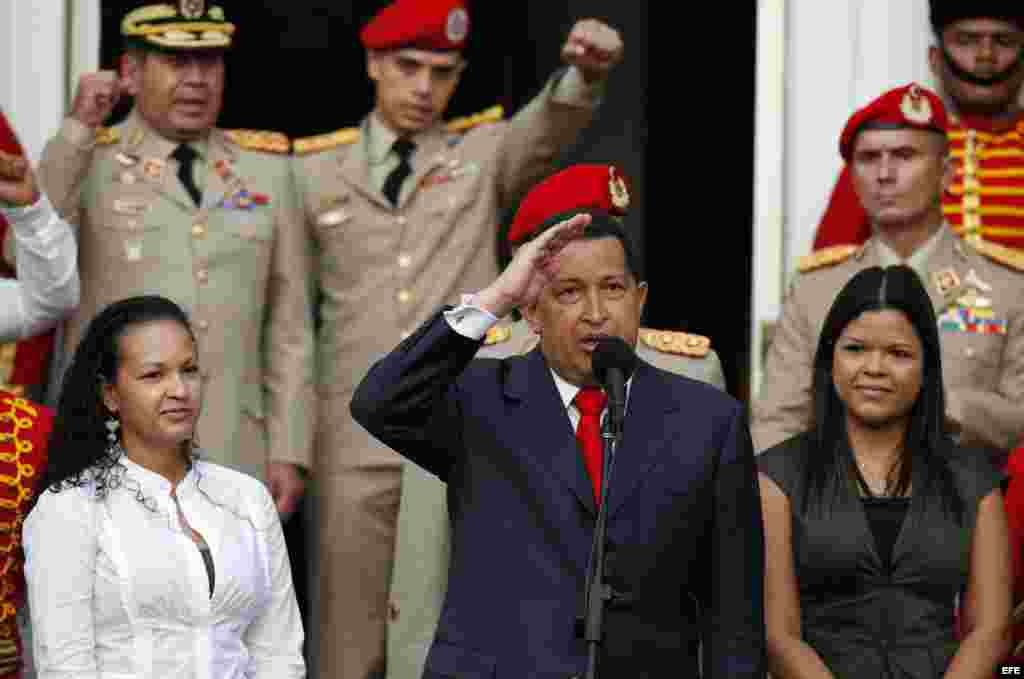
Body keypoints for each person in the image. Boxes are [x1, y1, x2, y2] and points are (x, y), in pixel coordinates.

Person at [289, 1, 624, 674]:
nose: (423, 88)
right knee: (345, 640)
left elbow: (549, 127)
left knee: (449, 616)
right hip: (351, 430)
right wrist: (291, 448)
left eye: (442, 72)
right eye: (407, 67)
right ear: (373, 63)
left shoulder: (482, 152)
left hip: (458, 424)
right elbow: (293, 318)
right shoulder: (314, 170)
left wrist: (583, 76)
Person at [350, 190, 765, 675]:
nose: (595, 311)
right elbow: (379, 402)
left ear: (641, 298)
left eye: (613, 288)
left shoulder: (708, 421)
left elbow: (734, 617)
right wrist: (495, 297)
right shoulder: (478, 400)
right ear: (530, 312)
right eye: (569, 292)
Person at [36, 1, 314, 507]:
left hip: (234, 443)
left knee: (228, 586)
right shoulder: (89, 158)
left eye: (209, 62)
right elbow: (25, 248)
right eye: (176, 62)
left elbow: (289, 324)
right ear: (132, 72)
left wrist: (290, 449)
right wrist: (77, 128)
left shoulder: (268, 171)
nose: (196, 79)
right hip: (116, 445)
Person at [23, 295, 304, 678]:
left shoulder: (247, 499)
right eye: (153, 375)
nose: (180, 390)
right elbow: (65, 667)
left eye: (188, 370)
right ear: (110, 394)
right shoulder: (70, 509)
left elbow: (279, 653)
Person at [759, 265, 1012, 677]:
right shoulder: (777, 477)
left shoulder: (974, 481)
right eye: (855, 349)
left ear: (927, 366)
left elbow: (991, 630)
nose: (874, 368)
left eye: (898, 354)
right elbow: (779, 636)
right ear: (829, 359)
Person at [752, 83, 1024, 460]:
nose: (884, 174)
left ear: (948, 174)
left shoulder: (1008, 286)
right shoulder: (818, 287)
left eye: (904, 155)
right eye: (868, 158)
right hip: (838, 508)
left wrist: (943, 405)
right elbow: (777, 424)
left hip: (969, 507)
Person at [813, 3, 1024, 252]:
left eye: (1004, 40)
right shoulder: (883, 146)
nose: (986, 55)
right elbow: (828, 277)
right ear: (935, 60)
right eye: (966, 40)